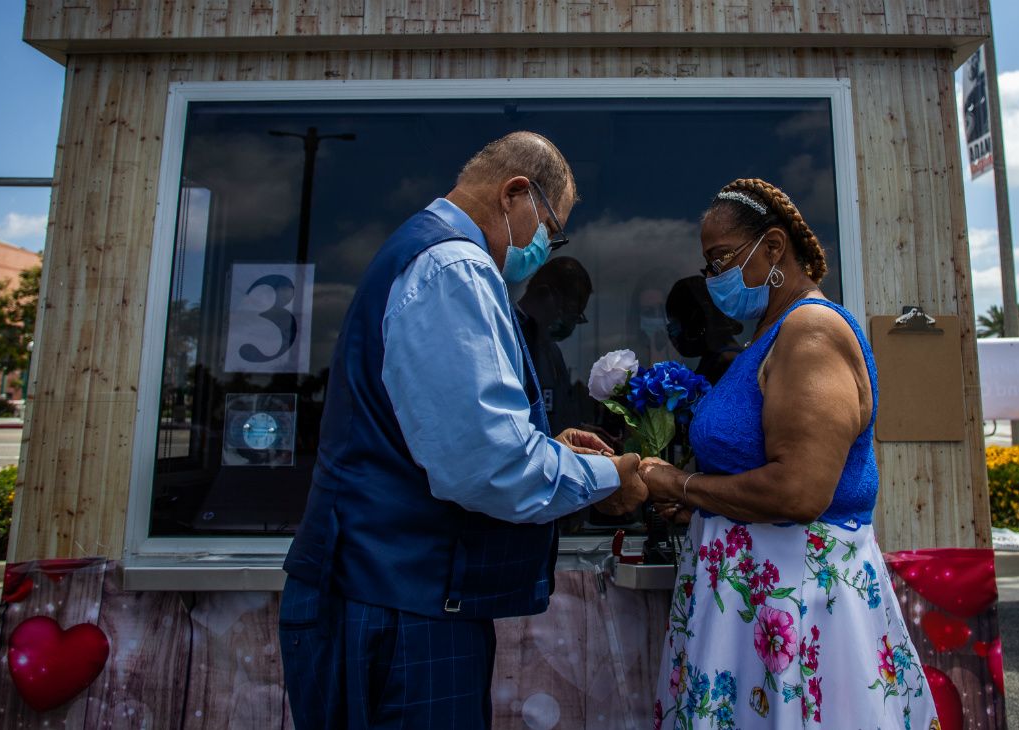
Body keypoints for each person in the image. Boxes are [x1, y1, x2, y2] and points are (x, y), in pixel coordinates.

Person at [280, 131, 648, 729]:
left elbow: (442, 439)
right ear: (516, 194)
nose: (544, 250)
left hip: (391, 598)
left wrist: (548, 450)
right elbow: (490, 467)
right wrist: (611, 475)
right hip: (396, 609)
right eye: (551, 231)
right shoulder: (454, 266)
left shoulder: (427, 253)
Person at [640, 179, 938, 728]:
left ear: (773, 249)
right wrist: (707, 505)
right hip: (754, 608)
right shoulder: (770, 334)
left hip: (798, 610)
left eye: (721, 259)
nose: (713, 279)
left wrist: (681, 486)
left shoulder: (811, 333)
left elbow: (799, 491)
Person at [516, 255, 593, 435]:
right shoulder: (509, 339)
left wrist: (578, 430)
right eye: (571, 311)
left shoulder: (552, 352)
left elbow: (559, 415)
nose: (571, 322)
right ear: (545, 294)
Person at [664, 275, 744, 385]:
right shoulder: (715, 358)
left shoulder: (725, 363)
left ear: (695, 321)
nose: (671, 331)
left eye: (674, 323)